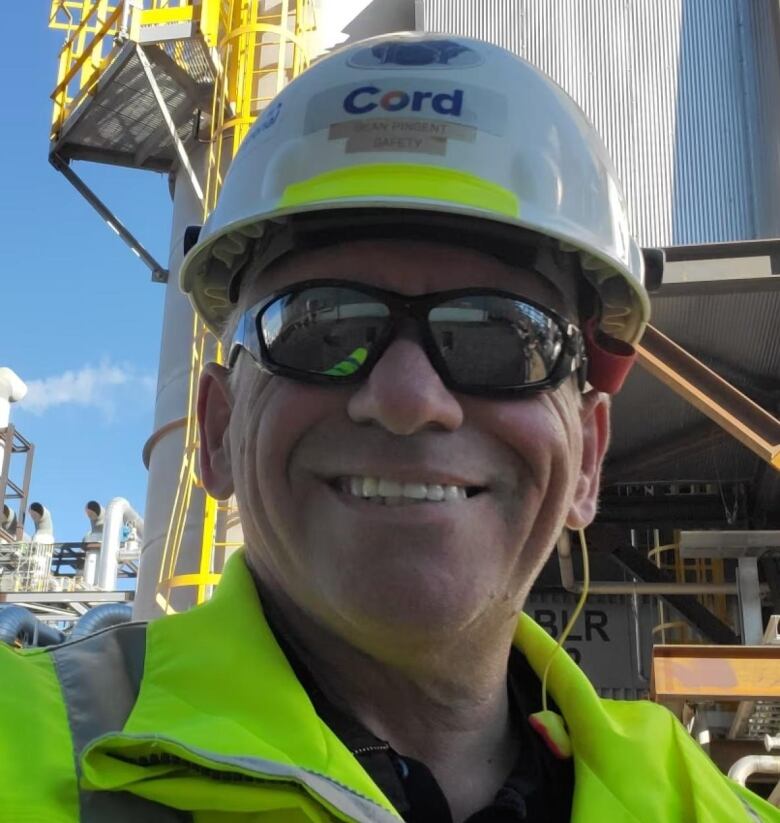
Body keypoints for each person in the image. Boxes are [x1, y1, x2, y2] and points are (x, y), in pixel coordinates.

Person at [1, 32, 777, 823]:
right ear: (217, 429)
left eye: (501, 337)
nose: (408, 397)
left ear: (587, 460)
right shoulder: (25, 741)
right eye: (321, 327)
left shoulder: (709, 807)